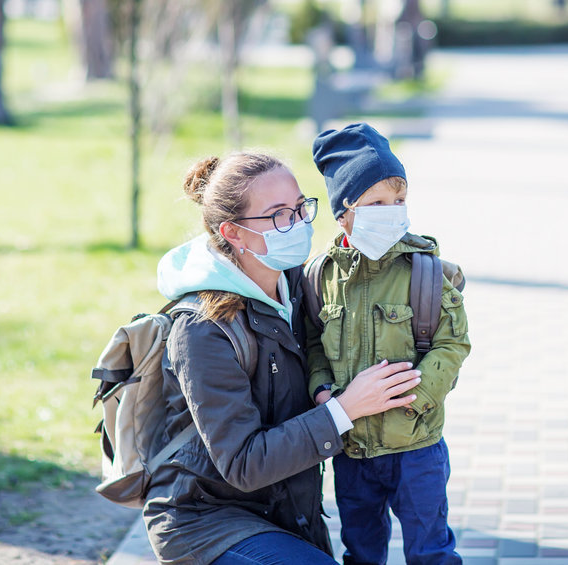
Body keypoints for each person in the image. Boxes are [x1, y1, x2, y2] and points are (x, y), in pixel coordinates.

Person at [144, 151, 423, 565]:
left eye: (299, 208)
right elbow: (243, 463)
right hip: (207, 521)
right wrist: (345, 409)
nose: (297, 225)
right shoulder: (202, 330)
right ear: (233, 233)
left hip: (285, 512)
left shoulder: (298, 285)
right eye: (278, 215)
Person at [307, 123, 472, 565]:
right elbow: (312, 344)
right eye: (376, 202)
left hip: (416, 446)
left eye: (398, 201)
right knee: (361, 552)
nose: (392, 211)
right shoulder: (322, 278)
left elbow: (452, 343)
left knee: (431, 552)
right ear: (344, 214)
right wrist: (322, 391)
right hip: (354, 452)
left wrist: (416, 397)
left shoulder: (426, 271)